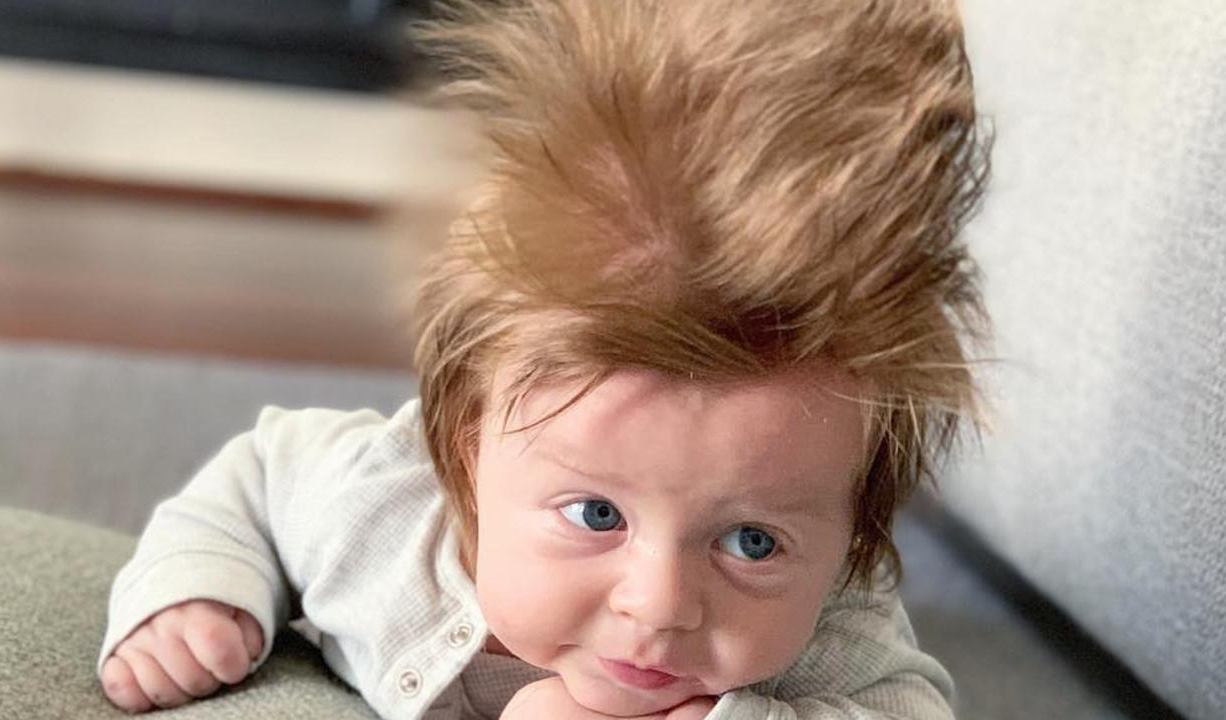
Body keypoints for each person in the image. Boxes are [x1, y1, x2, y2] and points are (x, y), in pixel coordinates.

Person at [97, 0, 991, 718]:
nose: (657, 605)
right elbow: (255, 479)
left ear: (853, 536)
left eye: (751, 542)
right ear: (463, 444)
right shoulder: (376, 509)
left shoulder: (837, 639)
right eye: (596, 513)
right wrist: (198, 596)